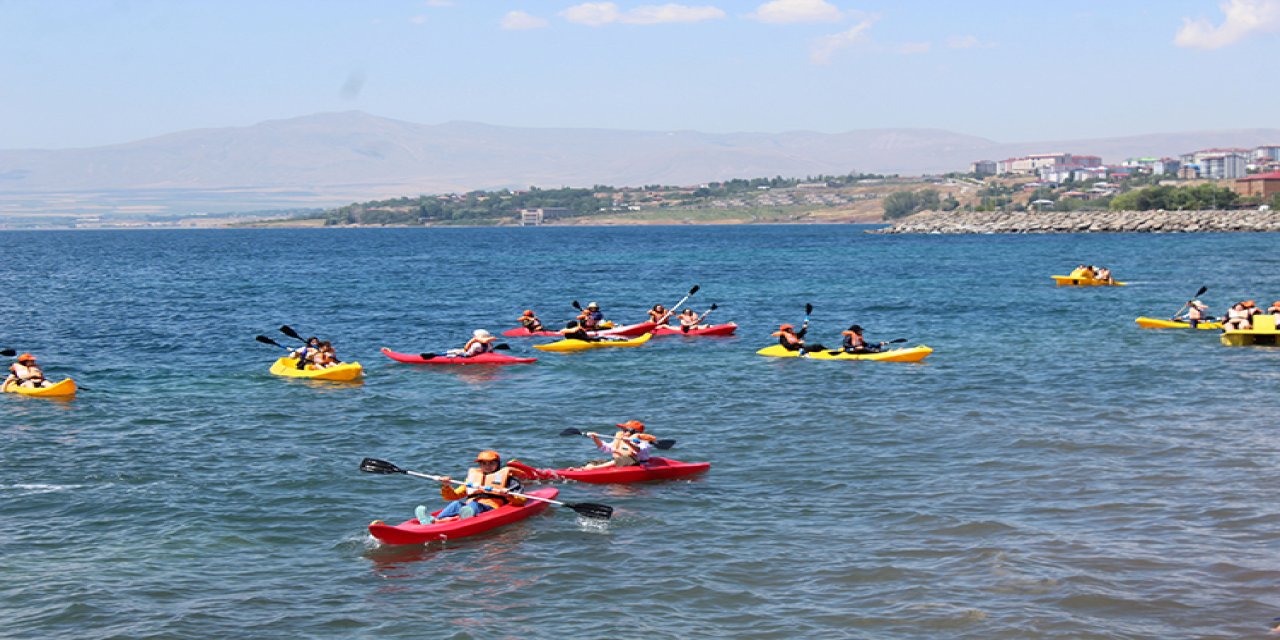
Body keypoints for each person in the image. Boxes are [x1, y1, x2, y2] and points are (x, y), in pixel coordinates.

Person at [415, 450, 525, 525]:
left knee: (473, 505)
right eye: (483, 463)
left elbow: (521, 500)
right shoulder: (472, 478)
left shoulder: (509, 480)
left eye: (491, 463)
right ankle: (434, 520)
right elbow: (453, 496)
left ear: (498, 464)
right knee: (456, 504)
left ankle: (459, 518)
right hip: (469, 507)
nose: (487, 466)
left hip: (490, 508)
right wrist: (446, 486)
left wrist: (508, 495)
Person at [576, 420, 656, 470]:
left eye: (625, 430)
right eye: (623, 430)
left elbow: (638, 450)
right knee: (595, 462)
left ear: (634, 432)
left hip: (637, 464)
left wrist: (628, 442)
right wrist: (595, 438)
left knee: (628, 458)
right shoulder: (621, 439)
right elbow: (605, 448)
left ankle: (594, 468)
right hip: (619, 463)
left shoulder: (644, 443)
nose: (623, 432)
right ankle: (581, 469)